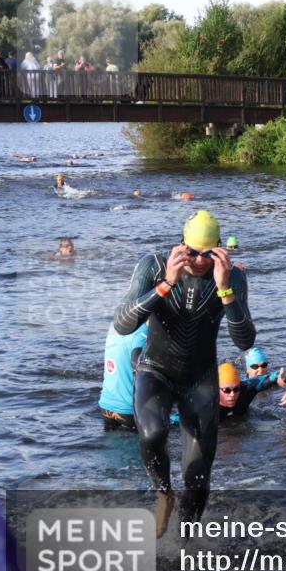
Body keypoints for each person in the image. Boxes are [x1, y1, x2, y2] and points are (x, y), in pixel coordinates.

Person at [113, 210, 255, 537]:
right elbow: (122, 324)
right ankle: (164, 493)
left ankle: (186, 545)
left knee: (198, 474)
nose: (198, 261)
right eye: (191, 252)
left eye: (207, 254)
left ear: (219, 249)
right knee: (151, 435)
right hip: (156, 370)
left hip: (200, 378)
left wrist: (224, 289)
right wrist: (165, 285)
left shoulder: (232, 277)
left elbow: (245, 340)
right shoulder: (154, 266)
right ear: (181, 246)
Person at [99, 322, 148, 429]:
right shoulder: (142, 331)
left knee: (112, 443)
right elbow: (135, 361)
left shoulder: (114, 325)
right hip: (128, 410)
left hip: (106, 405)